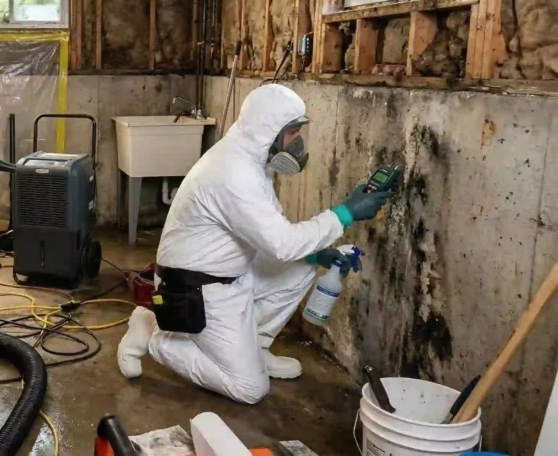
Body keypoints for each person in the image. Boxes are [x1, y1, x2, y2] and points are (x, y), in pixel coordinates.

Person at [116, 83, 389, 405]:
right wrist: (345, 213)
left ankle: (256, 347)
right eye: (292, 133)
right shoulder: (233, 172)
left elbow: (273, 235)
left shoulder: (252, 162)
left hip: (229, 272)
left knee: (305, 264)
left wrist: (317, 252)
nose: (297, 143)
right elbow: (282, 244)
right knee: (249, 389)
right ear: (270, 131)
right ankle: (153, 334)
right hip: (196, 288)